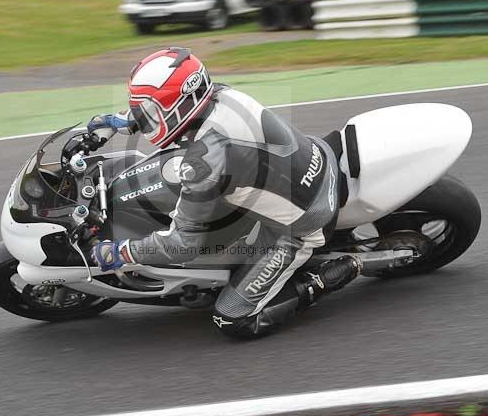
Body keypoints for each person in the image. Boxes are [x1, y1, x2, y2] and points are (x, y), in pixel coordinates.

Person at [86, 48, 361, 339]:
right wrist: (118, 122)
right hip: (313, 157)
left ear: (179, 105)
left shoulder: (204, 162)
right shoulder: (217, 94)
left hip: (304, 221)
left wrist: (121, 252)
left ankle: (324, 279)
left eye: (150, 110)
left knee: (232, 320)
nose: (146, 117)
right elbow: (171, 109)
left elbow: (182, 245)